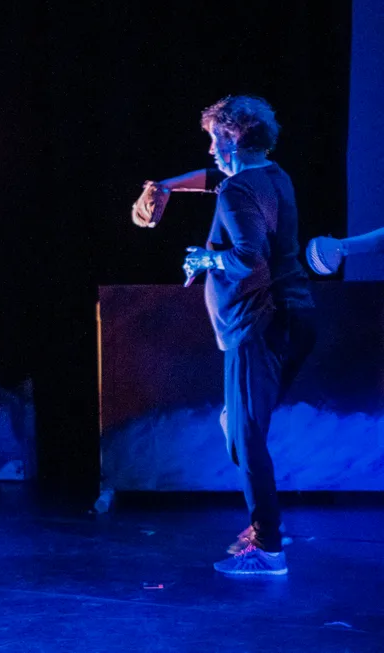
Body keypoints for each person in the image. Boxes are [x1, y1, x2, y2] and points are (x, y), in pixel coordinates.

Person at [132, 95, 315, 576]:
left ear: (232, 137)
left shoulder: (240, 191)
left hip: (258, 327)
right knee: (242, 431)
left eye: (215, 138)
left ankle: (269, 547)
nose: (211, 148)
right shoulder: (272, 176)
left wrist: (203, 258)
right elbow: (220, 181)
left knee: (246, 436)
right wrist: (166, 186)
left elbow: (247, 257)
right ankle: (266, 527)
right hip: (292, 321)